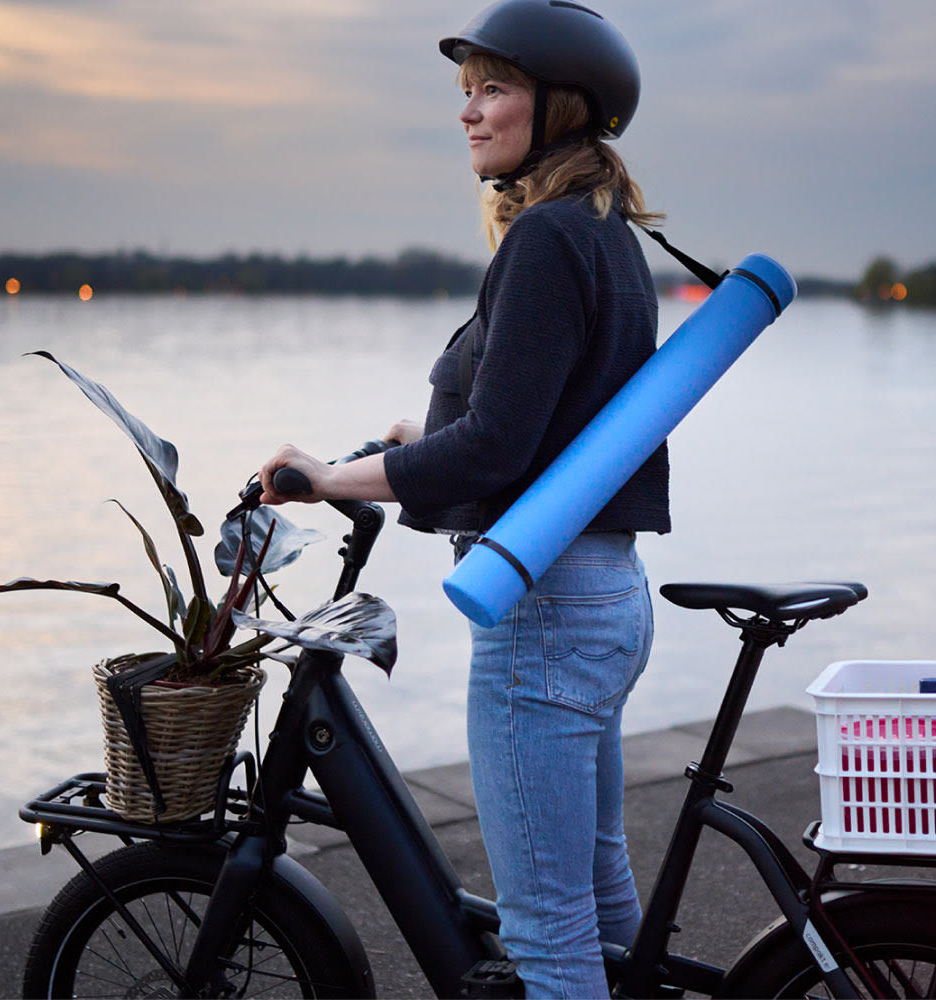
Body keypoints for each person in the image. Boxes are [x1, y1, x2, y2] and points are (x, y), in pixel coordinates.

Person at [256, 1, 665, 995]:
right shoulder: (602, 232)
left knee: (548, 938)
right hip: (600, 593)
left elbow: (494, 447)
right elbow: (548, 419)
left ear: (558, 106)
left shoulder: (546, 239)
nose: (470, 113)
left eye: (494, 88)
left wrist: (324, 479)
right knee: (600, 898)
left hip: (544, 612)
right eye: (466, 93)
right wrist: (413, 441)